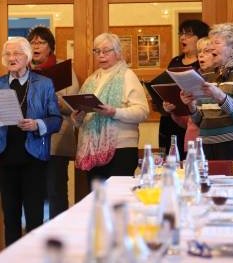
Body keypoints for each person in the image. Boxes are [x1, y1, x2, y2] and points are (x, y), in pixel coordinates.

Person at [0, 37, 61, 246]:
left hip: (33, 157)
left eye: (16, 53)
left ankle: (35, 262)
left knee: (35, 216)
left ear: (27, 58)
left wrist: (37, 125)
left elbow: (56, 120)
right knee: (10, 216)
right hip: (5, 156)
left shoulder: (43, 84)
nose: (11, 58)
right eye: (7, 54)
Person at [181, 23, 233, 175]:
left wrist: (219, 96)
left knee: (232, 193)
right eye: (210, 43)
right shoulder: (207, 75)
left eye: (216, 43)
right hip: (207, 143)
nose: (210, 48)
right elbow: (199, 120)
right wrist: (190, 105)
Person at [71, 33, 149, 183]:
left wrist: (114, 112)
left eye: (106, 51)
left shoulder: (127, 75)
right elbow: (83, 116)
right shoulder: (91, 79)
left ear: (118, 52)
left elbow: (142, 111)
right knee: (97, 200)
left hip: (121, 149)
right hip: (93, 149)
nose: (101, 55)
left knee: (117, 200)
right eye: (97, 51)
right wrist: (77, 118)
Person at [26, 26, 79, 219]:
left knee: (55, 192)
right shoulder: (25, 71)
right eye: (32, 42)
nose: (36, 46)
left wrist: (54, 100)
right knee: (33, 193)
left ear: (51, 47)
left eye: (41, 42)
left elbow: (74, 104)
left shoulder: (64, 69)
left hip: (56, 140)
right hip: (31, 141)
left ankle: (59, 237)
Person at [158, 20, 210, 158]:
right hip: (172, 117)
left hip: (193, 122)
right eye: (181, 33)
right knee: (171, 161)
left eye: (188, 34)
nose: (182, 37)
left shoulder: (205, 64)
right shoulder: (175, 61)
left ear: (200, 38)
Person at [164, 36, 214, 144]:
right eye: (199, 51)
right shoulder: (192, 78)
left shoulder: (220, 81)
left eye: (206, 51)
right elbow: (188, 122)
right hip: (191, 142)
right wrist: (174, 110)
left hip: (212, 141)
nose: (200, 55)